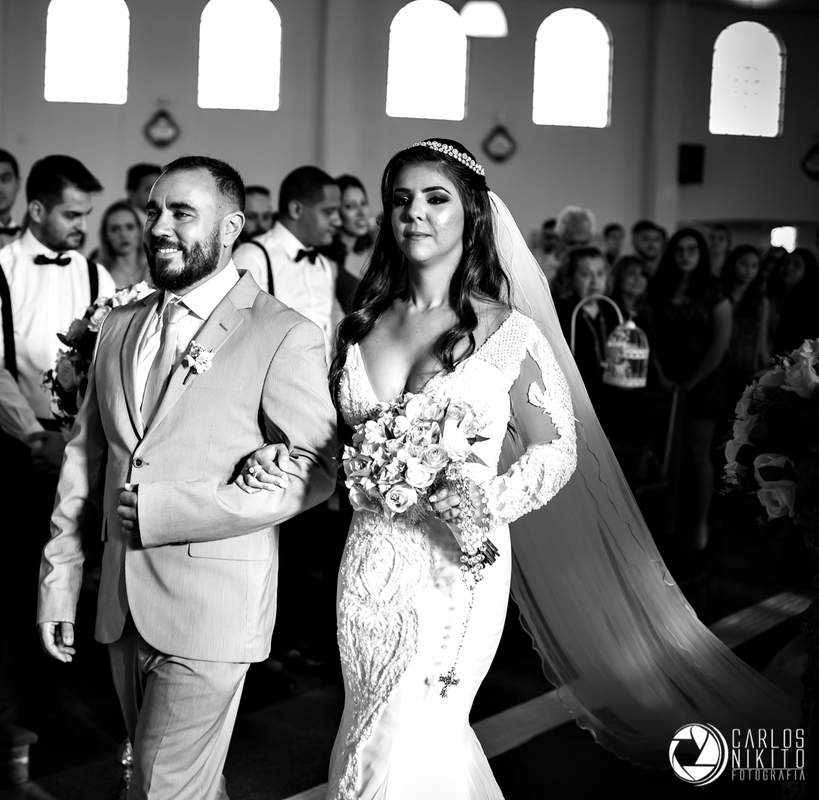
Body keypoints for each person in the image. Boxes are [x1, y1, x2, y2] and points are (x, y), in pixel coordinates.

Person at [239, 140, 794, 798]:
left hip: (459, 563)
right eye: (401, 200)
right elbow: (340, 443)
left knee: (404, 732)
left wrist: (483, 503)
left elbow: (556, 447)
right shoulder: (358, 326)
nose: (415, 213)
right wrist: (285, 458)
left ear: (472, 215)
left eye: (436, 199)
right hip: (368, 564)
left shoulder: (509, 333)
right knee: (370, 722)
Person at [37, 155, 338, 799]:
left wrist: (169, 511)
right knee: (178, 783)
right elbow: (85, 461)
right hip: (122, 601)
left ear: (230, 228)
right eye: (154, 211)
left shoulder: (283, 334)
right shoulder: (118, 324)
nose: (160, 227)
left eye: (182, 213)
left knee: (158, 787)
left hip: (214, 606)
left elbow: (316, 471)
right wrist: (59, 580)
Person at [0, 154, 113, 740]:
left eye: (87, 214)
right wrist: (34, 436)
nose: (81, 226)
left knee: (66, 573)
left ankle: (52, 698)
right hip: (10, 448)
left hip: (74, 451)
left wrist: (77, 445)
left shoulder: (98, 278)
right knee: (5, 580)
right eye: (73, 214)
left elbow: (102, 365)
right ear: (36, 210)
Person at [649, 228, 731, 551]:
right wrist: (663, 377)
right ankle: (664, 524)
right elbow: (651, 336)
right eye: (680, 249)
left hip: (706, 380)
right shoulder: (659, 288)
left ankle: (699, 524)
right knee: (667, 452)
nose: (685, 254)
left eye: (692, 249)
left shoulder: (713, 290)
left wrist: (693, 382)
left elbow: (720, 342)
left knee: (698, 454)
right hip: (666, 378)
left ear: (701, 254)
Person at [233, 166, 342, 352]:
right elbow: (236, 335)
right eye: (328, 211)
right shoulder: (253, 256)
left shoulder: (324, 264)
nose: (338, 221)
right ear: (296, 209)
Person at [555, 246, 620, 402]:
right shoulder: (563, 313)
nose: (594, 280)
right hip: (578, 395)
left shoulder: (611, 311)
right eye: (585, 274)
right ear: (569, 277)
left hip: (610, 395)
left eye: (600, 273)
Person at [717, 244, 769, 404]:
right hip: (719, 362)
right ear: (733, 264)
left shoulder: (761, 301)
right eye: (744, 264)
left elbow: (760, 339)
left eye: (754, 266)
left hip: (745, 367)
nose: (749, 270)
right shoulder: (719, 295)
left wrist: (767, 367)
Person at [325, 174, 375, 308]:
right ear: (336, 211)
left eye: (363, 203)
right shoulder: (326, 262)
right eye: (350, 206)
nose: (361, 212)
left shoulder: (376, 252)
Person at [767, 246, 815, 350]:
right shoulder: (769, 297)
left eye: (796, 265)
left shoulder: (810, 307)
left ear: (807, 270)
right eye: (786, 263)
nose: (789, 267)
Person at [97, 199, 148, 288]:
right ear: (105, 235)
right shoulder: (99, 273)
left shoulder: (156, 267)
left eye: (129, 227)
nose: (123, 234)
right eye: (115, 229)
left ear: (139, 231)